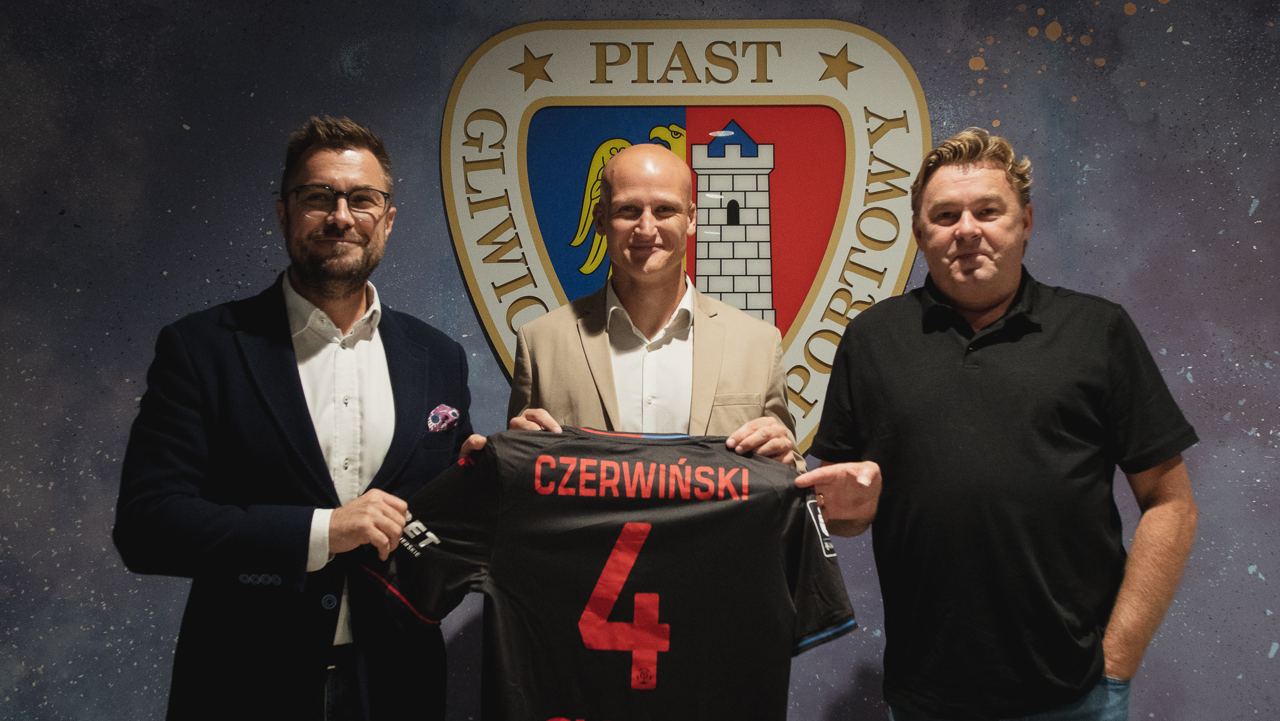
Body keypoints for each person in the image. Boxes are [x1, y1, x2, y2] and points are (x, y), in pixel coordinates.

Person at [804, 127, 1198, 720]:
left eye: (988, 211)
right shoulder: (872, 341)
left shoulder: (1098, 331)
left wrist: (1118, 659)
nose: (967, 230)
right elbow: (842, 514)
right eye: (945, 215)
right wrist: (845, 509)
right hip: (927, 697)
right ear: (920, 233)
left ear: (1026, 221)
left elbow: (1172, 504)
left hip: (1078, 696)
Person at [113, 115, 471, 721]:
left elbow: (444, 518)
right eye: (318, 197)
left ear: (387, 220)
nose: (341, 216)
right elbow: (148, 528)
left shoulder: (439, 357)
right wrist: (323, 531)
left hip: (399, 685)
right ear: (283, 213)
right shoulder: (202, 349)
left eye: (362, 199)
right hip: (243, 685)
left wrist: (501, 468)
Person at [507, 143, 800, 467]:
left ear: (691, 219)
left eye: (664, 210)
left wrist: (786, 462)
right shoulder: (540, 343)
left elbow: (789, 476)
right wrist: (512, 458)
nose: (646, 229)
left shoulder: (759, 345)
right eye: (628, 210)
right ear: (600, 220)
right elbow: (518, 478)